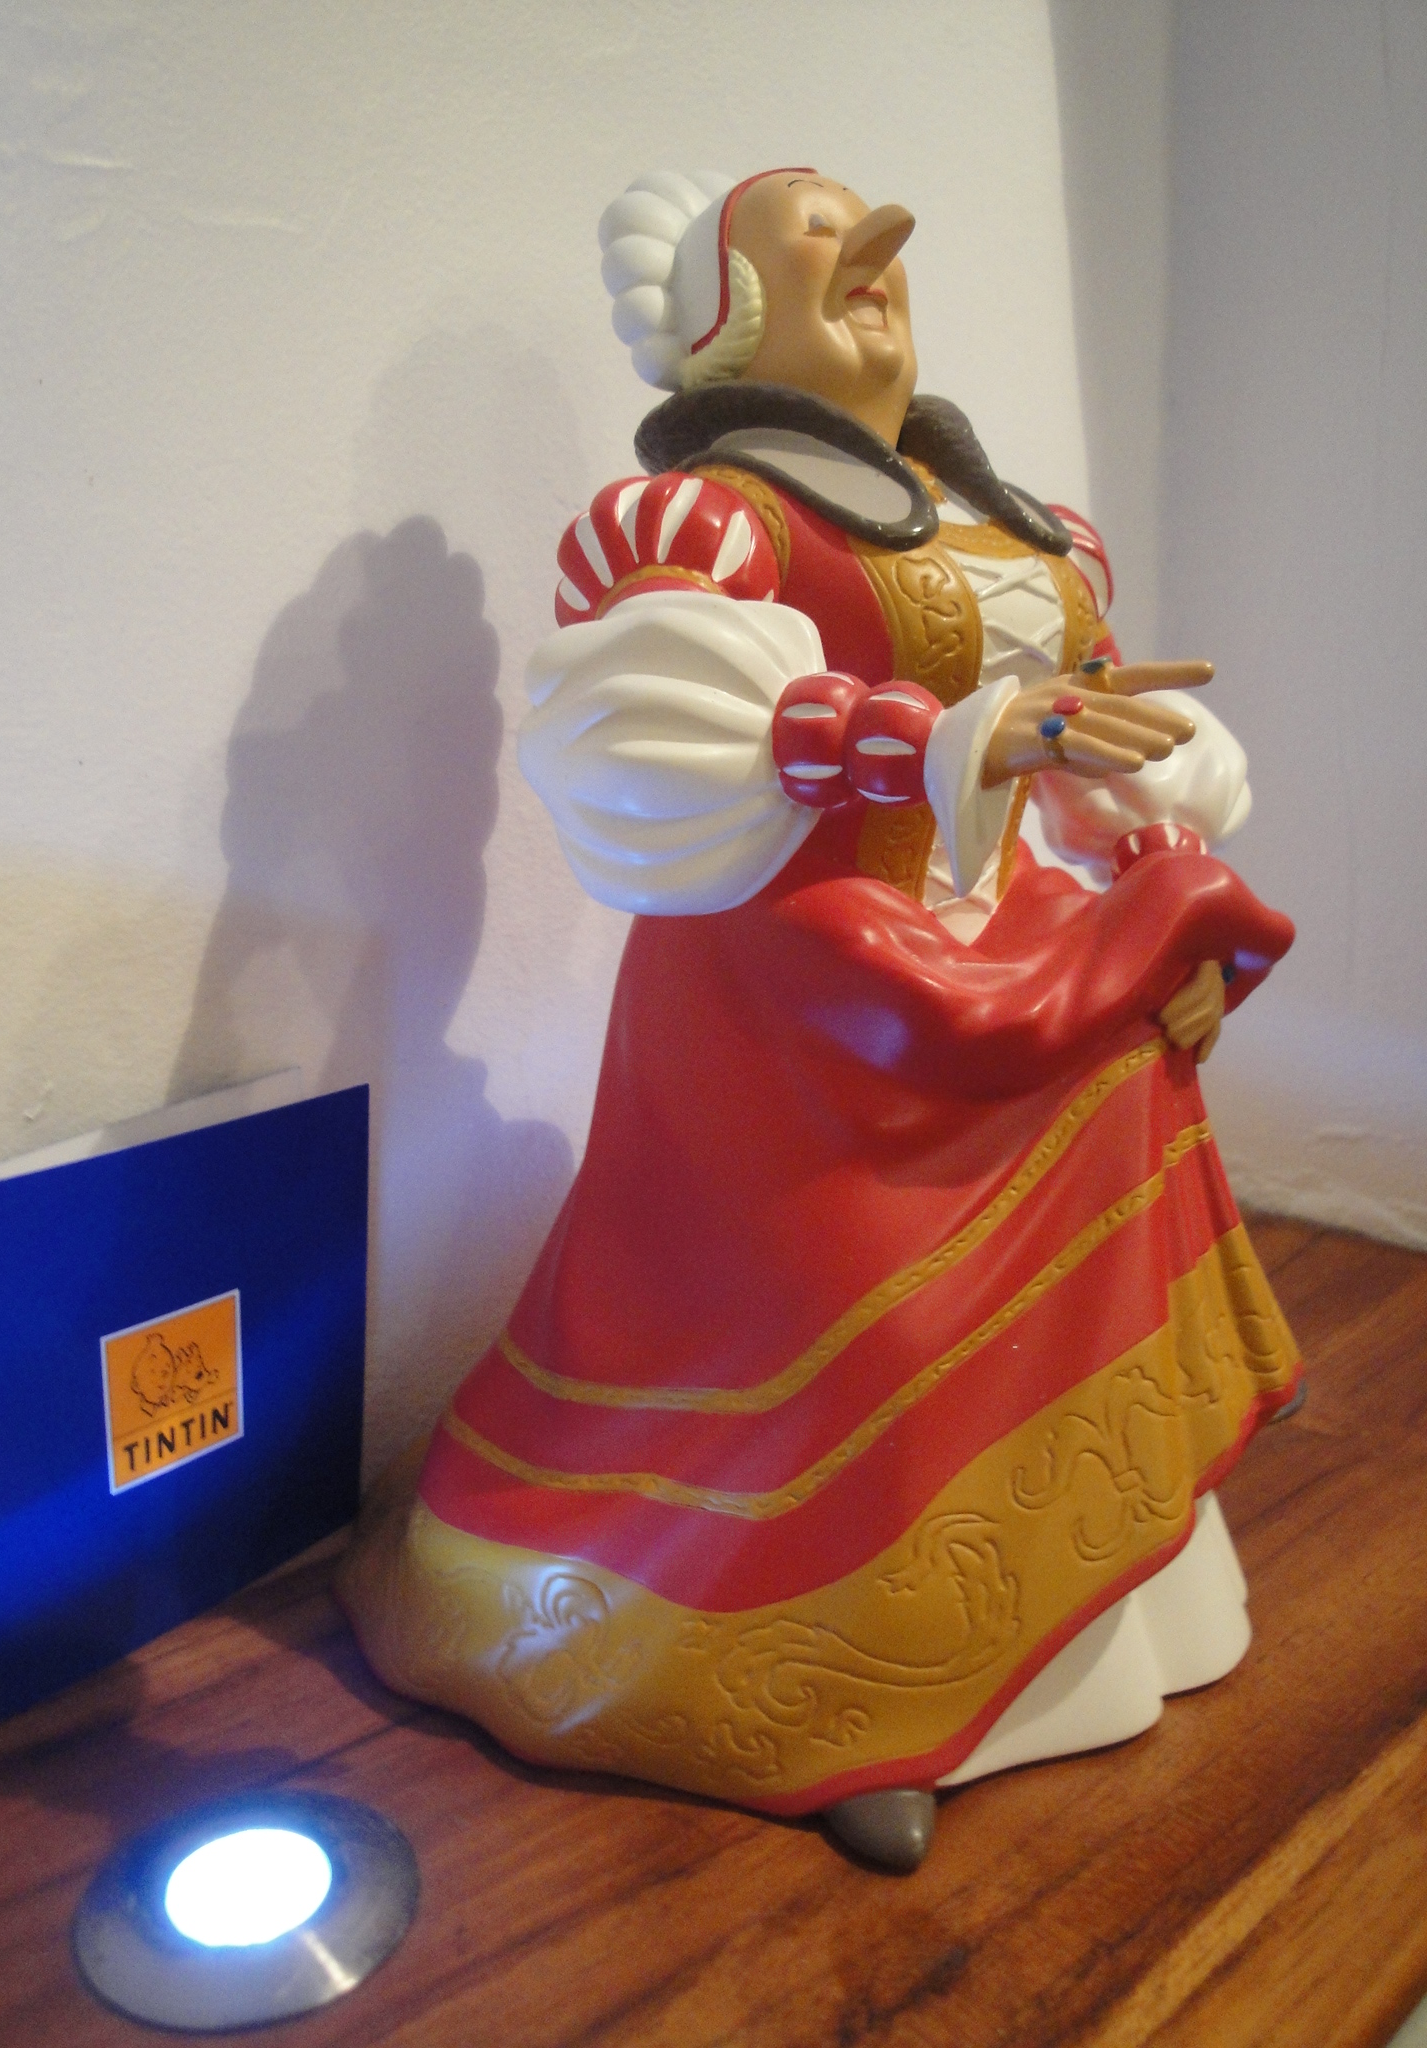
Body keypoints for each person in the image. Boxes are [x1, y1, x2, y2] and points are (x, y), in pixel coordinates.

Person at [339, 169, 1300, 1872]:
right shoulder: (701, 526)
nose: (869, 261)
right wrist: (955, 741)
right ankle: (824, 1692)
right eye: (808, 240)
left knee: (1080, 1218)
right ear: (725, 323)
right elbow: (662, 739)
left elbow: (1100, 735)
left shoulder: (1026, 529)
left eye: (869, 243)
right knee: (849, 1321)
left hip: (1021, 961)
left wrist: (1154, 841)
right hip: (798, 993)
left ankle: (1085, 1629)